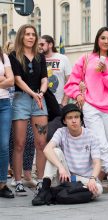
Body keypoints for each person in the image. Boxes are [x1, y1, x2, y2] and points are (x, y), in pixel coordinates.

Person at [64, 27, 108, 195]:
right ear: (97, 39)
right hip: (91, 106)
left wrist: (105, 72)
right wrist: (77, 94)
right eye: (103, 38)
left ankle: (97, 176)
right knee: (100, 143)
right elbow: (71, 83)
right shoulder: (85, 58)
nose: (106, 41)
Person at [32, 104, 103, 205]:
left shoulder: (91, 135)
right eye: (70, 118)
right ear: (64, 121)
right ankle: (45, 190)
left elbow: (97, 162)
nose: (74, 121)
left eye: (76, 117)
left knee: (98, 189)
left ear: (81, 119)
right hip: (66, 177)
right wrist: (61, 168)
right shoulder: (61, 132)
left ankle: (55, 194)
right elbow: (47, 150)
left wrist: (92, 179)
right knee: (55, 151)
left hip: (84, 179)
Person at [8, 24, 48, 196]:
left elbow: (44, 78)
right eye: (27, 34)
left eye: (33, 34)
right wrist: (34, 93)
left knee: (41, 143)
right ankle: (18, 181)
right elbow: (17, 79)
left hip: (39, 100)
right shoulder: (14, 56)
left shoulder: (40, 57)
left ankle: (40, 181)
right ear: (21, 37)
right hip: (21, 99)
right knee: (19, 143)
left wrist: (41, 92)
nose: (31, 37)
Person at [3, 40, 37, 188]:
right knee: (11, 142)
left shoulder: (16, 60)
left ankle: (27, 173)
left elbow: (11, 81)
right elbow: (8, 80)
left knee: (29, 140)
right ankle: (11, 173)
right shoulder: (7, 59)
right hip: (8, 104)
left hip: (18, 105)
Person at [38, 35, 72, 141]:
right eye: (39, 44)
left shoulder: (63, 58)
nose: (40, 47)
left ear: (50, 44)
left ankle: (56, 157)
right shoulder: (37, 59)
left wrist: (64, 101)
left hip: (58, 104)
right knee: (41, 136)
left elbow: (70, 81)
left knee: (55, 136)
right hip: (41, 105)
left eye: (42, 44)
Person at [0, 45, 15, 198]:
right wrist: (3, 79)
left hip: (4, 104)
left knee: (4, 145)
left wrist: (6, 79)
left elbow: (11, 82)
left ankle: (2, 184)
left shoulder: (3, 56)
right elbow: (7, 79)